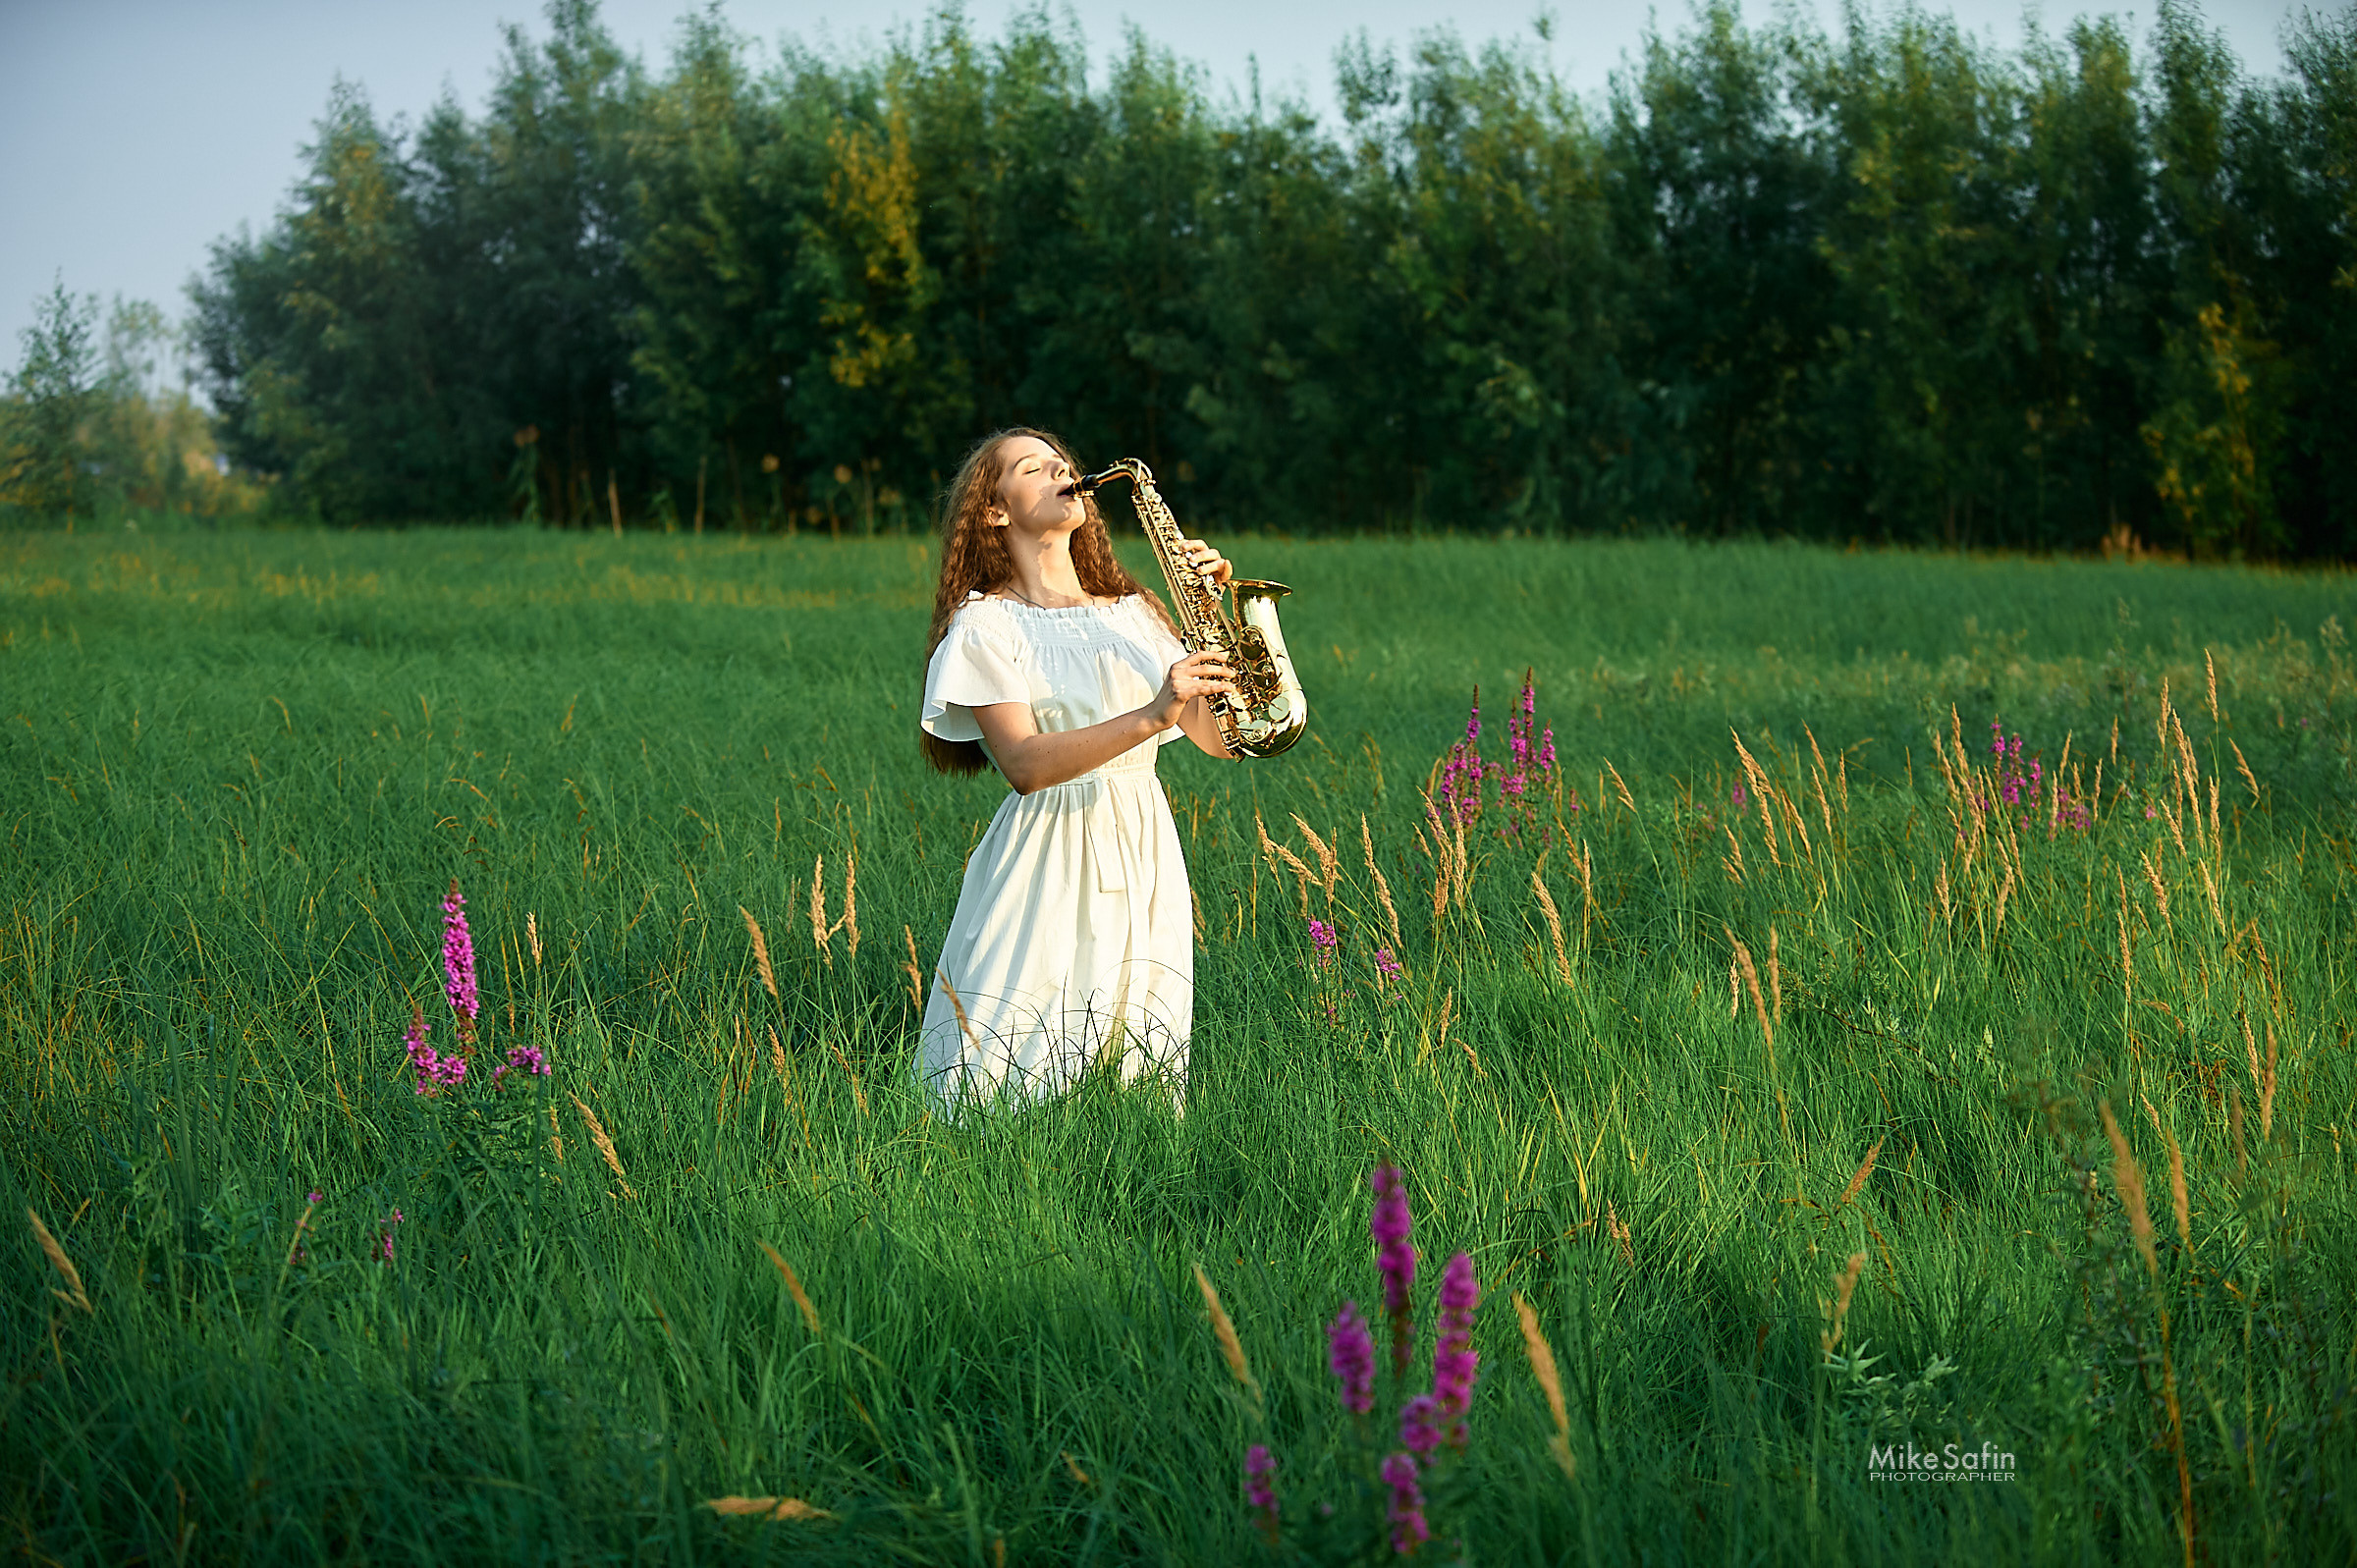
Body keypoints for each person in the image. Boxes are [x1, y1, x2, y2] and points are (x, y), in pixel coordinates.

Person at [916, 427, 1235, 1110]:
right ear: (996, 508)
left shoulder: (1136, 611)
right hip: (1046, 852)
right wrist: (1153, 711)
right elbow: (1025, 765)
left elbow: (1219, 739)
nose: (1062, 471)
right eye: (1033, 467)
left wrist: (1220, 615)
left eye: (1063, 462)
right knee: (1009, 1055)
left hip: (1142, 839)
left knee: (1141, 1048)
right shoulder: (987, 625)